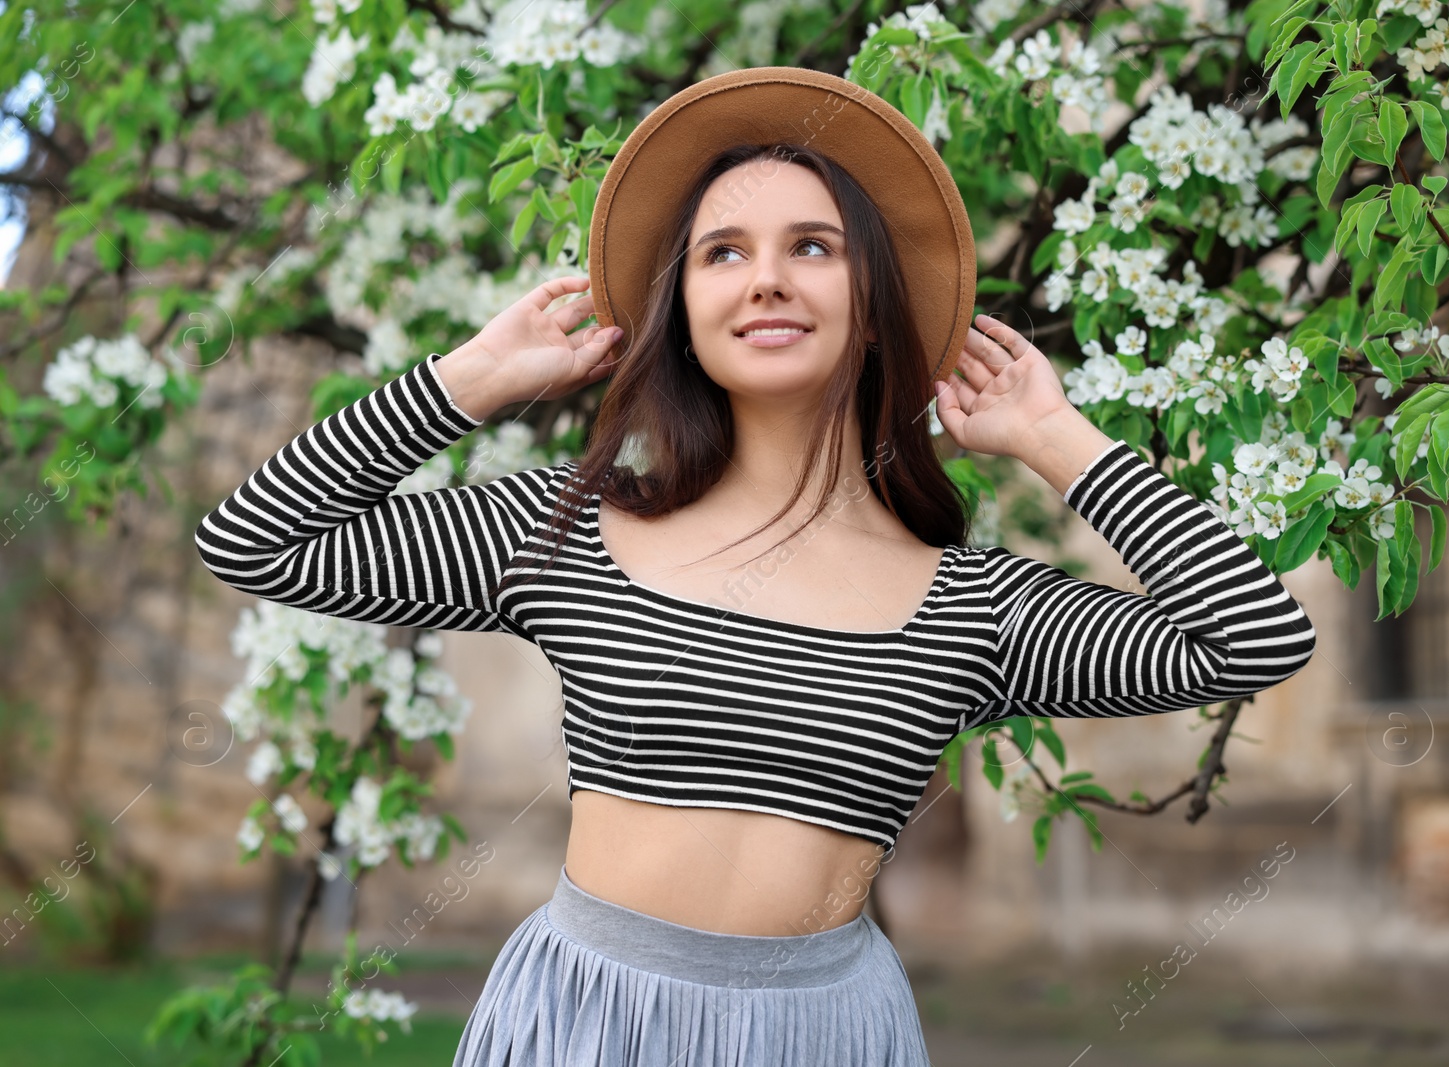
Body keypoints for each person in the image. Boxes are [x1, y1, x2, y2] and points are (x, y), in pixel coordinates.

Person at [195, 68, 1317, 1067]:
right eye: (722, 252)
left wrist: (1058, 439)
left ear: (872, 306)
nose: (766, 280)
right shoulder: (572, 532)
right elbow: (252, 540)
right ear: (684, 311)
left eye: (811, 247)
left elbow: (1253, 636)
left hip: (827, 1032)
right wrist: (471, 380)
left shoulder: (971, 605)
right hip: (585, 1021)